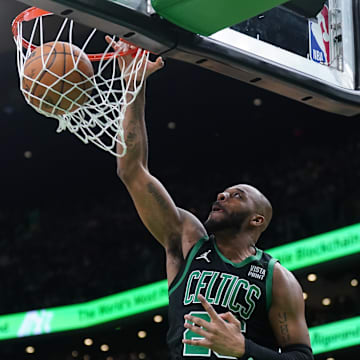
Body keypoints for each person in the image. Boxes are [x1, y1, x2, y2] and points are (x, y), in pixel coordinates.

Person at [106, 36, 314, 360]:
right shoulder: (187, 240)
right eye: (224, 192)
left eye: (236, 196)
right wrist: (133, 86)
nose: (222, 195)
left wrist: (244, 350)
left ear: (257, 219)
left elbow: (301, 356)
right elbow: (131, 171)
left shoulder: (276, 278)